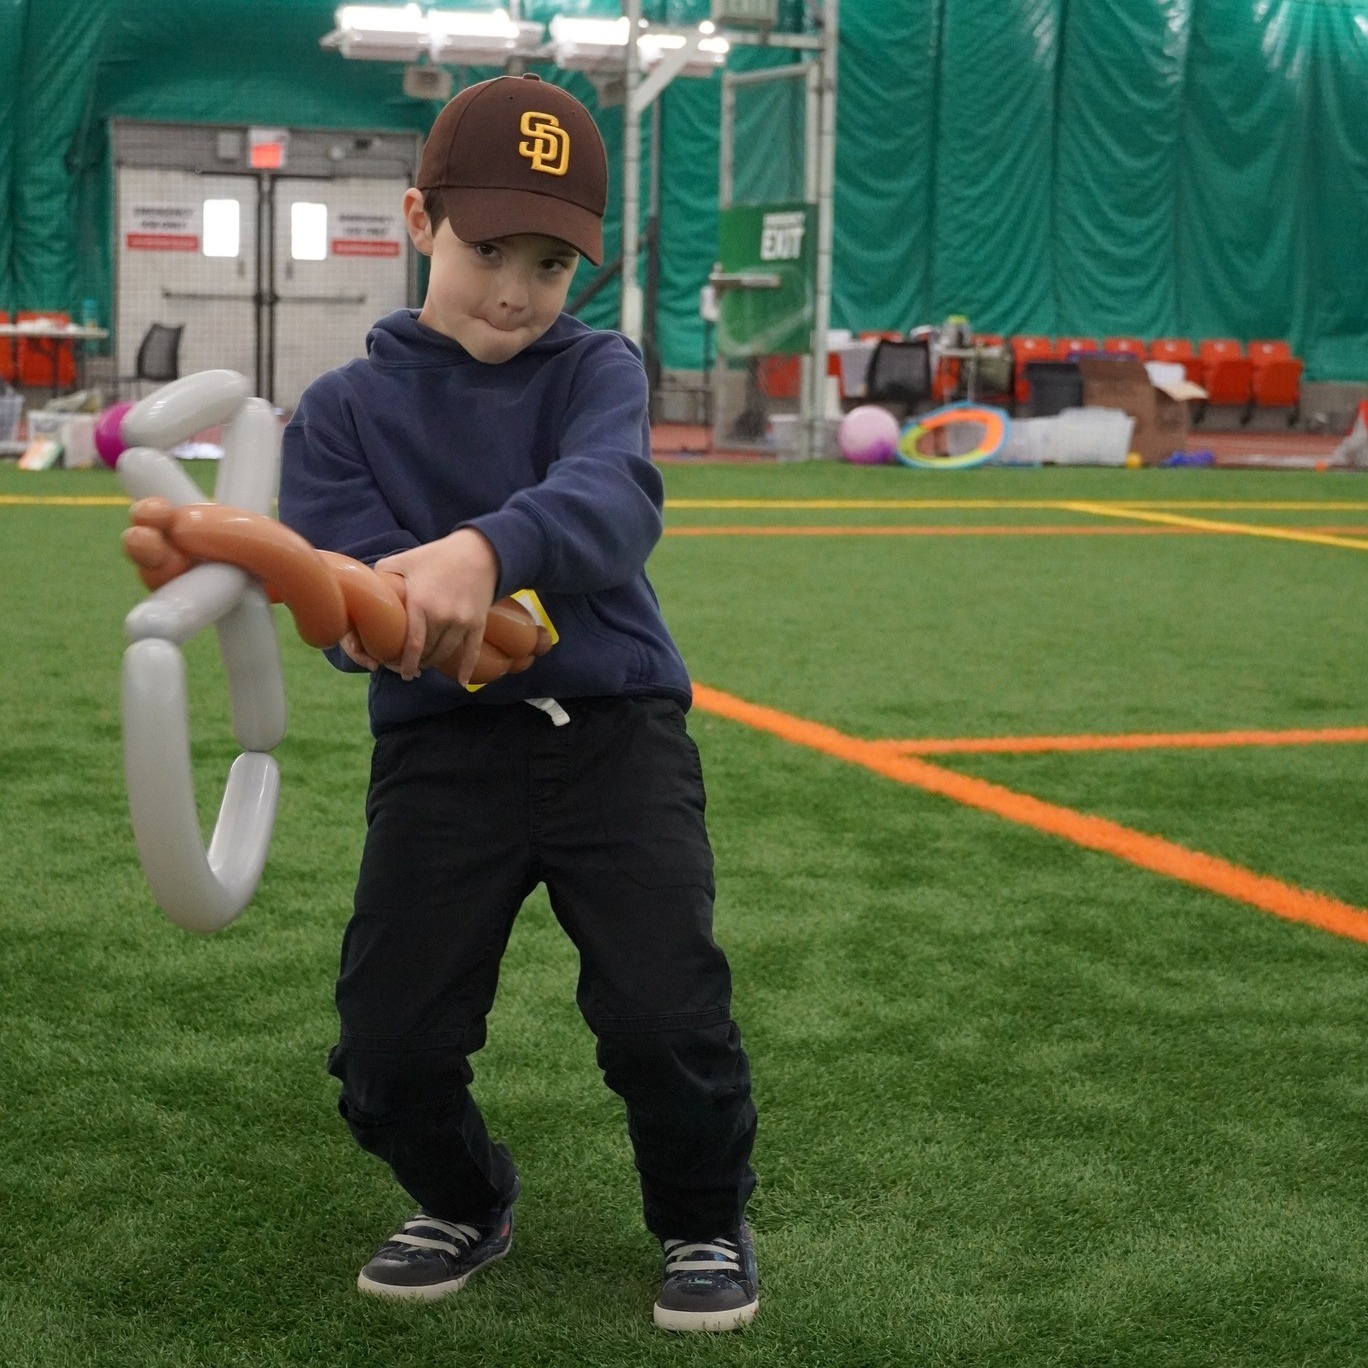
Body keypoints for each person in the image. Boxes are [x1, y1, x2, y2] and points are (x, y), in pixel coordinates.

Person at [277, 73, 758, 1334]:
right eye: (491, 249)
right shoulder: (338, 415)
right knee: (387, 1052)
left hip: (616, 736)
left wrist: (484, 555)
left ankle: (705, 1218)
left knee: (665, 1016)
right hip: (445, 758)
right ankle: (467, 1198)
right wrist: (395, 619)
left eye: (551, 263)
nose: (516, 290)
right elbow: (345, 609)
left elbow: (614, 496)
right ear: (417, 218)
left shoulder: (595, 366)